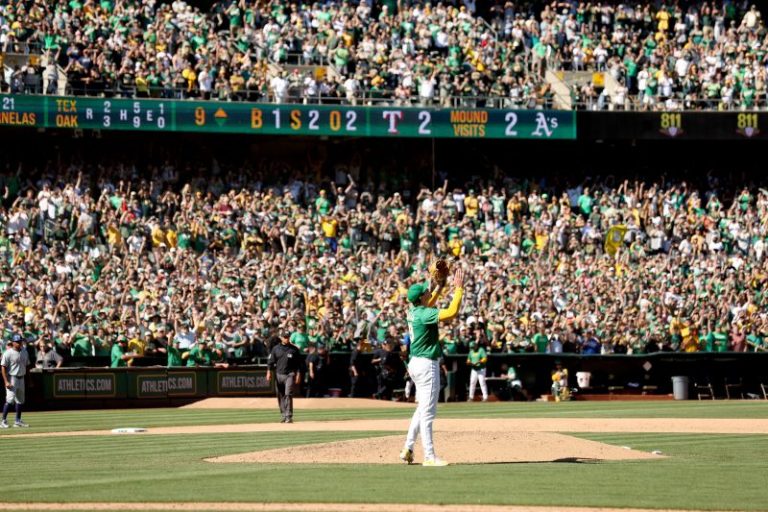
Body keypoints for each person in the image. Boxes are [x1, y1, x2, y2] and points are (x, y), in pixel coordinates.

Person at [400, 266, 464, 467]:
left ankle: (408, 448)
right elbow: (452, 312)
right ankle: (429, 457)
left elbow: (429, 302)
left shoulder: (413, 311)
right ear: (421, 298)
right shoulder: (424, 314)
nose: (429, 290)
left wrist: (440, 287)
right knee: (428, 413)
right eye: (426, 291)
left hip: (416, 363)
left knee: (422, 409)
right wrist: (458, 288)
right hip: (427, 364)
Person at [266, 334, 304, 423]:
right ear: (281, 338)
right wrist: (268, 372)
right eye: (285, 337)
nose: (286, 339)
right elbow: (271, 361)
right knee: (280, 395)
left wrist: (298, 374)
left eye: (288, 337)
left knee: (288, 394)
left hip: (290, 374)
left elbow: (299, 364)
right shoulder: (276, 348)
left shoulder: (294, 349)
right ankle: (283, 415)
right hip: (279, 374)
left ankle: (288, 416)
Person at [1, 335, 30, 428]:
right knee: (9, 400)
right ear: (13, 343)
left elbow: (27, 366)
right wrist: (6, 381)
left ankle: (17, 421)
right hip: (12, 378)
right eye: (17, 342)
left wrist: (29, 379)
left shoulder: (24, 351)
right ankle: (3, 421)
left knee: (20, 400)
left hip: (22, 377)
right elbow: (3, 367)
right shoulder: (8, 353)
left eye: (20, 341)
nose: (19, 343)